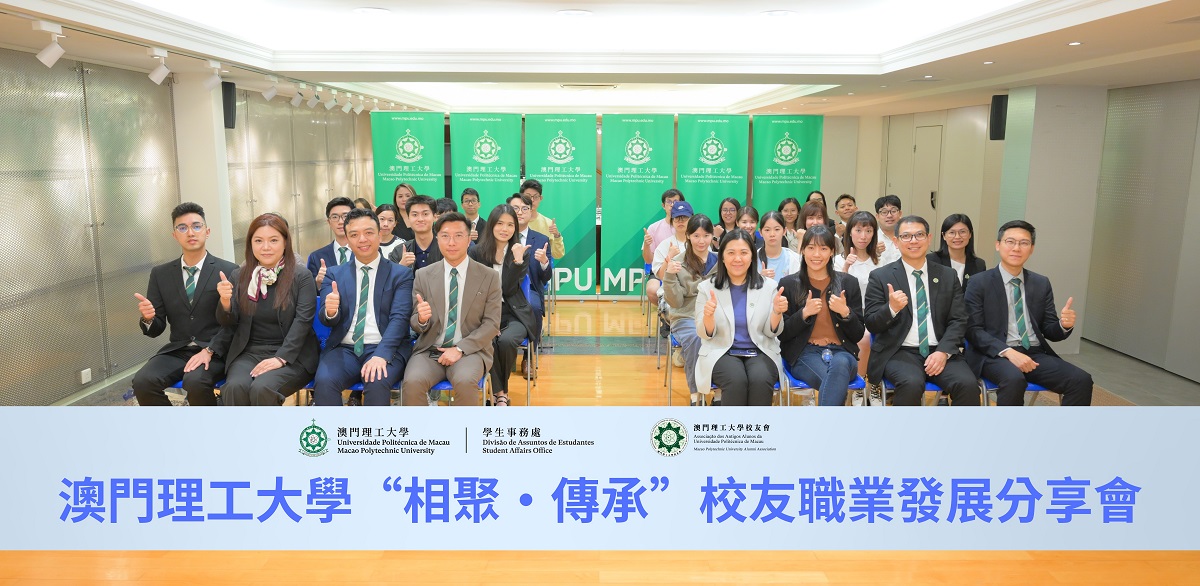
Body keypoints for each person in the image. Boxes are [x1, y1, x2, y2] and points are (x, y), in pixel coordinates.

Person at [965, 220, 1093, 406]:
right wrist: (1008, 352)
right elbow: (973, 330)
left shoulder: (1041, 283)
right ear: (998, 245)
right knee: (1014, 379)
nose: (1016, 248)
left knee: (1081, 380)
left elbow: (1049, 330)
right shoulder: (979, 282)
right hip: (994, 354)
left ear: (1031, 248)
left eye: (1024, 243)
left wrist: (1063, 325)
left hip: (1034, 353)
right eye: (1010, 242)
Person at [863, 215, 980, 407]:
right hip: (899, 351)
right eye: (906, 236)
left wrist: (943, 351)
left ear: (929, 238)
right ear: (896, 241)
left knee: (967, 385)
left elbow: (959, 319)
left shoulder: (947, 275)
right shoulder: (880, 276)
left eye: (919, 235)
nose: (913, 241)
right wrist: (891, 309)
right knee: (911, 384)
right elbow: (871, 322)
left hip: (940, 349)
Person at [131, 202, 239, 406]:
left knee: (195, 382)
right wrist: (148, 318)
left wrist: (210, 350)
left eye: (196, 226)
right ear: (175, 235)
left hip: (216, 351)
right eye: (182, 228)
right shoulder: (160, 274)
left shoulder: (229, 270)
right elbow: (156, 328)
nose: (190, 232)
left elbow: (235, 323)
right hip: (178, 350)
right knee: (143, 382)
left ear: (207, 231)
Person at [213, 213, 320, 406]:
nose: (266, 247)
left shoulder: (301, 276)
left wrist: (281, 358)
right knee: (234, 387)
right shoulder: (239, 276)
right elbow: (228, 322)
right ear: (250, 244)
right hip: (249, 352)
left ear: (285, 243)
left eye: (273, 240)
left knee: (262, 388)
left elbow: (303, 322)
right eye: (258, 241)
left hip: (293, 355)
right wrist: (225, 301)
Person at [312, 208, 414, 407]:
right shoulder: (333, 274)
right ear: (347, 240)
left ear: (379, 234)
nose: (362, 239)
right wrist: (331, 311)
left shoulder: (400, 274)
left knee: (376, 380)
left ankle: (372, 429)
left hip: (386, 346)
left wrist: (382, 354)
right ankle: (333, 428)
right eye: (354, 235)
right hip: (344, 348)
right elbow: (326, 318)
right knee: (324, 381)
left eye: (368, 232)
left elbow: (400, 318)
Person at [401, 212, 503, 406]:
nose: (451, 242)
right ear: (437, 239)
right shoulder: (423, 275)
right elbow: (415, 322)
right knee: (412, 382)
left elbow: (491, 324)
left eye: (458, 236)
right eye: (445, 236)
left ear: (469, 239)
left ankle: (460, 427)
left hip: (471, 350)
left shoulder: (488, 276)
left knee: (465, 382)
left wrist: (460, 349)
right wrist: (421, 319)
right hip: (430, 350)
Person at [695, 229, 787, 406]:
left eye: (744, 253)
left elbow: (771, 332)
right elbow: (705, 334)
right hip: (721, 350)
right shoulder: (706, 288)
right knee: (736, 381)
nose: (737, 259)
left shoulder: (769, 287)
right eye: (731, 253)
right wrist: (708, 316)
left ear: (752, 256)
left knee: (760, 380)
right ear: (722, 257)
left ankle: (758, 425)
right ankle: (734, 425)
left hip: (760, 350)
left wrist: (777, 312)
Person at [779, 226, 864, 406]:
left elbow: (858, 334)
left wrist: (845, 312)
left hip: (843, 352)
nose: (816, 254)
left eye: (823, 248)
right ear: (802, 250)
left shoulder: (848, 283)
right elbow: (783, 334)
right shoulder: (789, 284)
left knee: (840, 365)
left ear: (832, 252)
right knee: (835, 383)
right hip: (805, 354)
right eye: (811, 248)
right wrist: (804, 314)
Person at [468, 204, 539, 406]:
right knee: (488, 342)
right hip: (485, 314)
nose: (504, 229)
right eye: (500, 224)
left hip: (514, 313)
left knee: (506, 341)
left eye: (510, 225)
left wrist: (517, 262)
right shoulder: (476, 252)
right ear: (491, 225)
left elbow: (508, 289)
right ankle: (500, 394)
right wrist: (490, 322)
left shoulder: (521, 252)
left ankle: (498, 392)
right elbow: (476, 291)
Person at [833, 211, 901, 400]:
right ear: (850, 232)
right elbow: (836, 295)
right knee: (864, 337)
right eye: (858, 230)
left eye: (869, 231)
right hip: (850, 315)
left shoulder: (881, 261)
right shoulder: (839, 260)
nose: (863, 236)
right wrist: (846, 268)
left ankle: (875, 385)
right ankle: (860, 386)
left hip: (877, 313)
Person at [662, 214, 719, 406]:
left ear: (712, 236)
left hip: (715, 314)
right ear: (688, 236)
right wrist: (669, 276)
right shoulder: (678, 262)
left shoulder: (721, 261)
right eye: (696, 236)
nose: (701, 241)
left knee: (726, 336)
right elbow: (676, 302)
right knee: (697, 338)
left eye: (706, 235)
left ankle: (719, 393)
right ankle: (696, 394)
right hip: (686, 316)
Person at [506, 192, 553, 355]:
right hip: (503, 288)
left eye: (524, 208)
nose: (520, 212)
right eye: (515, 208)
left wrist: (544, 263)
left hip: (529, 289)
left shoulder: (541, 240)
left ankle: (530, 355)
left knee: (534, 307)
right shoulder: (501, 237)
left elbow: (546, 277)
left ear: (531, 211)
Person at [642, 188, 685, 307]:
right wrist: (647, 245)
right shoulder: (654, 228)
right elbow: (648, 260)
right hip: (660, 268)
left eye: (676, 202)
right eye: (669, 202)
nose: (672, 205)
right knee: (652, 290)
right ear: (663, 205)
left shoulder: (689, 227)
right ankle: (665, 311)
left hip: (685, 268)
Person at [306, 197, 355, 290]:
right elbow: (310, 292)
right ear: (329, 222)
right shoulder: (316, 257)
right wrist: (318, 282)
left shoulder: (365, 251)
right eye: (335, 217)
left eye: (345, 216)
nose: (340, 222)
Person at [928, 213, 986, 287]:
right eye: (952, 232)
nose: (957, 237)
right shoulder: (931, 260)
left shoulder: (979, 265)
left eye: (962, 232)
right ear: (944, 236)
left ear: (970, 234)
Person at [387, 195, 441, 270]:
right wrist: (401, 267)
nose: (420, 219)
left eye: (425, 214)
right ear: (408, 218)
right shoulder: (399, 252)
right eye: (415, 215)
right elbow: (390, 277)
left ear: (435, 217)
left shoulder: (446, 249)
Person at [521, 179, 566, 260]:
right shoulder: (513, 221)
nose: (532, 200)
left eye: (536, 197)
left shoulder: (548, 223)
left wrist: (557, 235)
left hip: (539, 267)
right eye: (528, 196)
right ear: (521, 197)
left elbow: (558, 254)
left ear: (541, 198)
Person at [757, 210, 801, 281]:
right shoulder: (752, 259)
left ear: (784, 231)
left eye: (777, 229)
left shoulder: (795, 259)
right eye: (767, 230)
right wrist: (759, 279)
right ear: (760, 232)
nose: (772, 234)